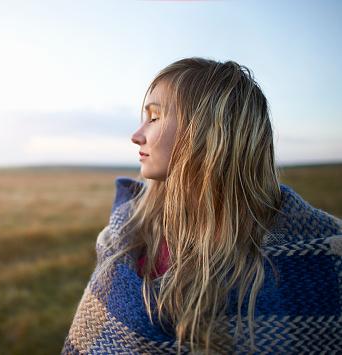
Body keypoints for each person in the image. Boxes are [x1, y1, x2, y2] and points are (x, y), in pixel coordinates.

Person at [61, 57, 342, 354]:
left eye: (154, 117)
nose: (136, 135)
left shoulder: (320, 264)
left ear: (208, 132)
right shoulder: (128, 238)